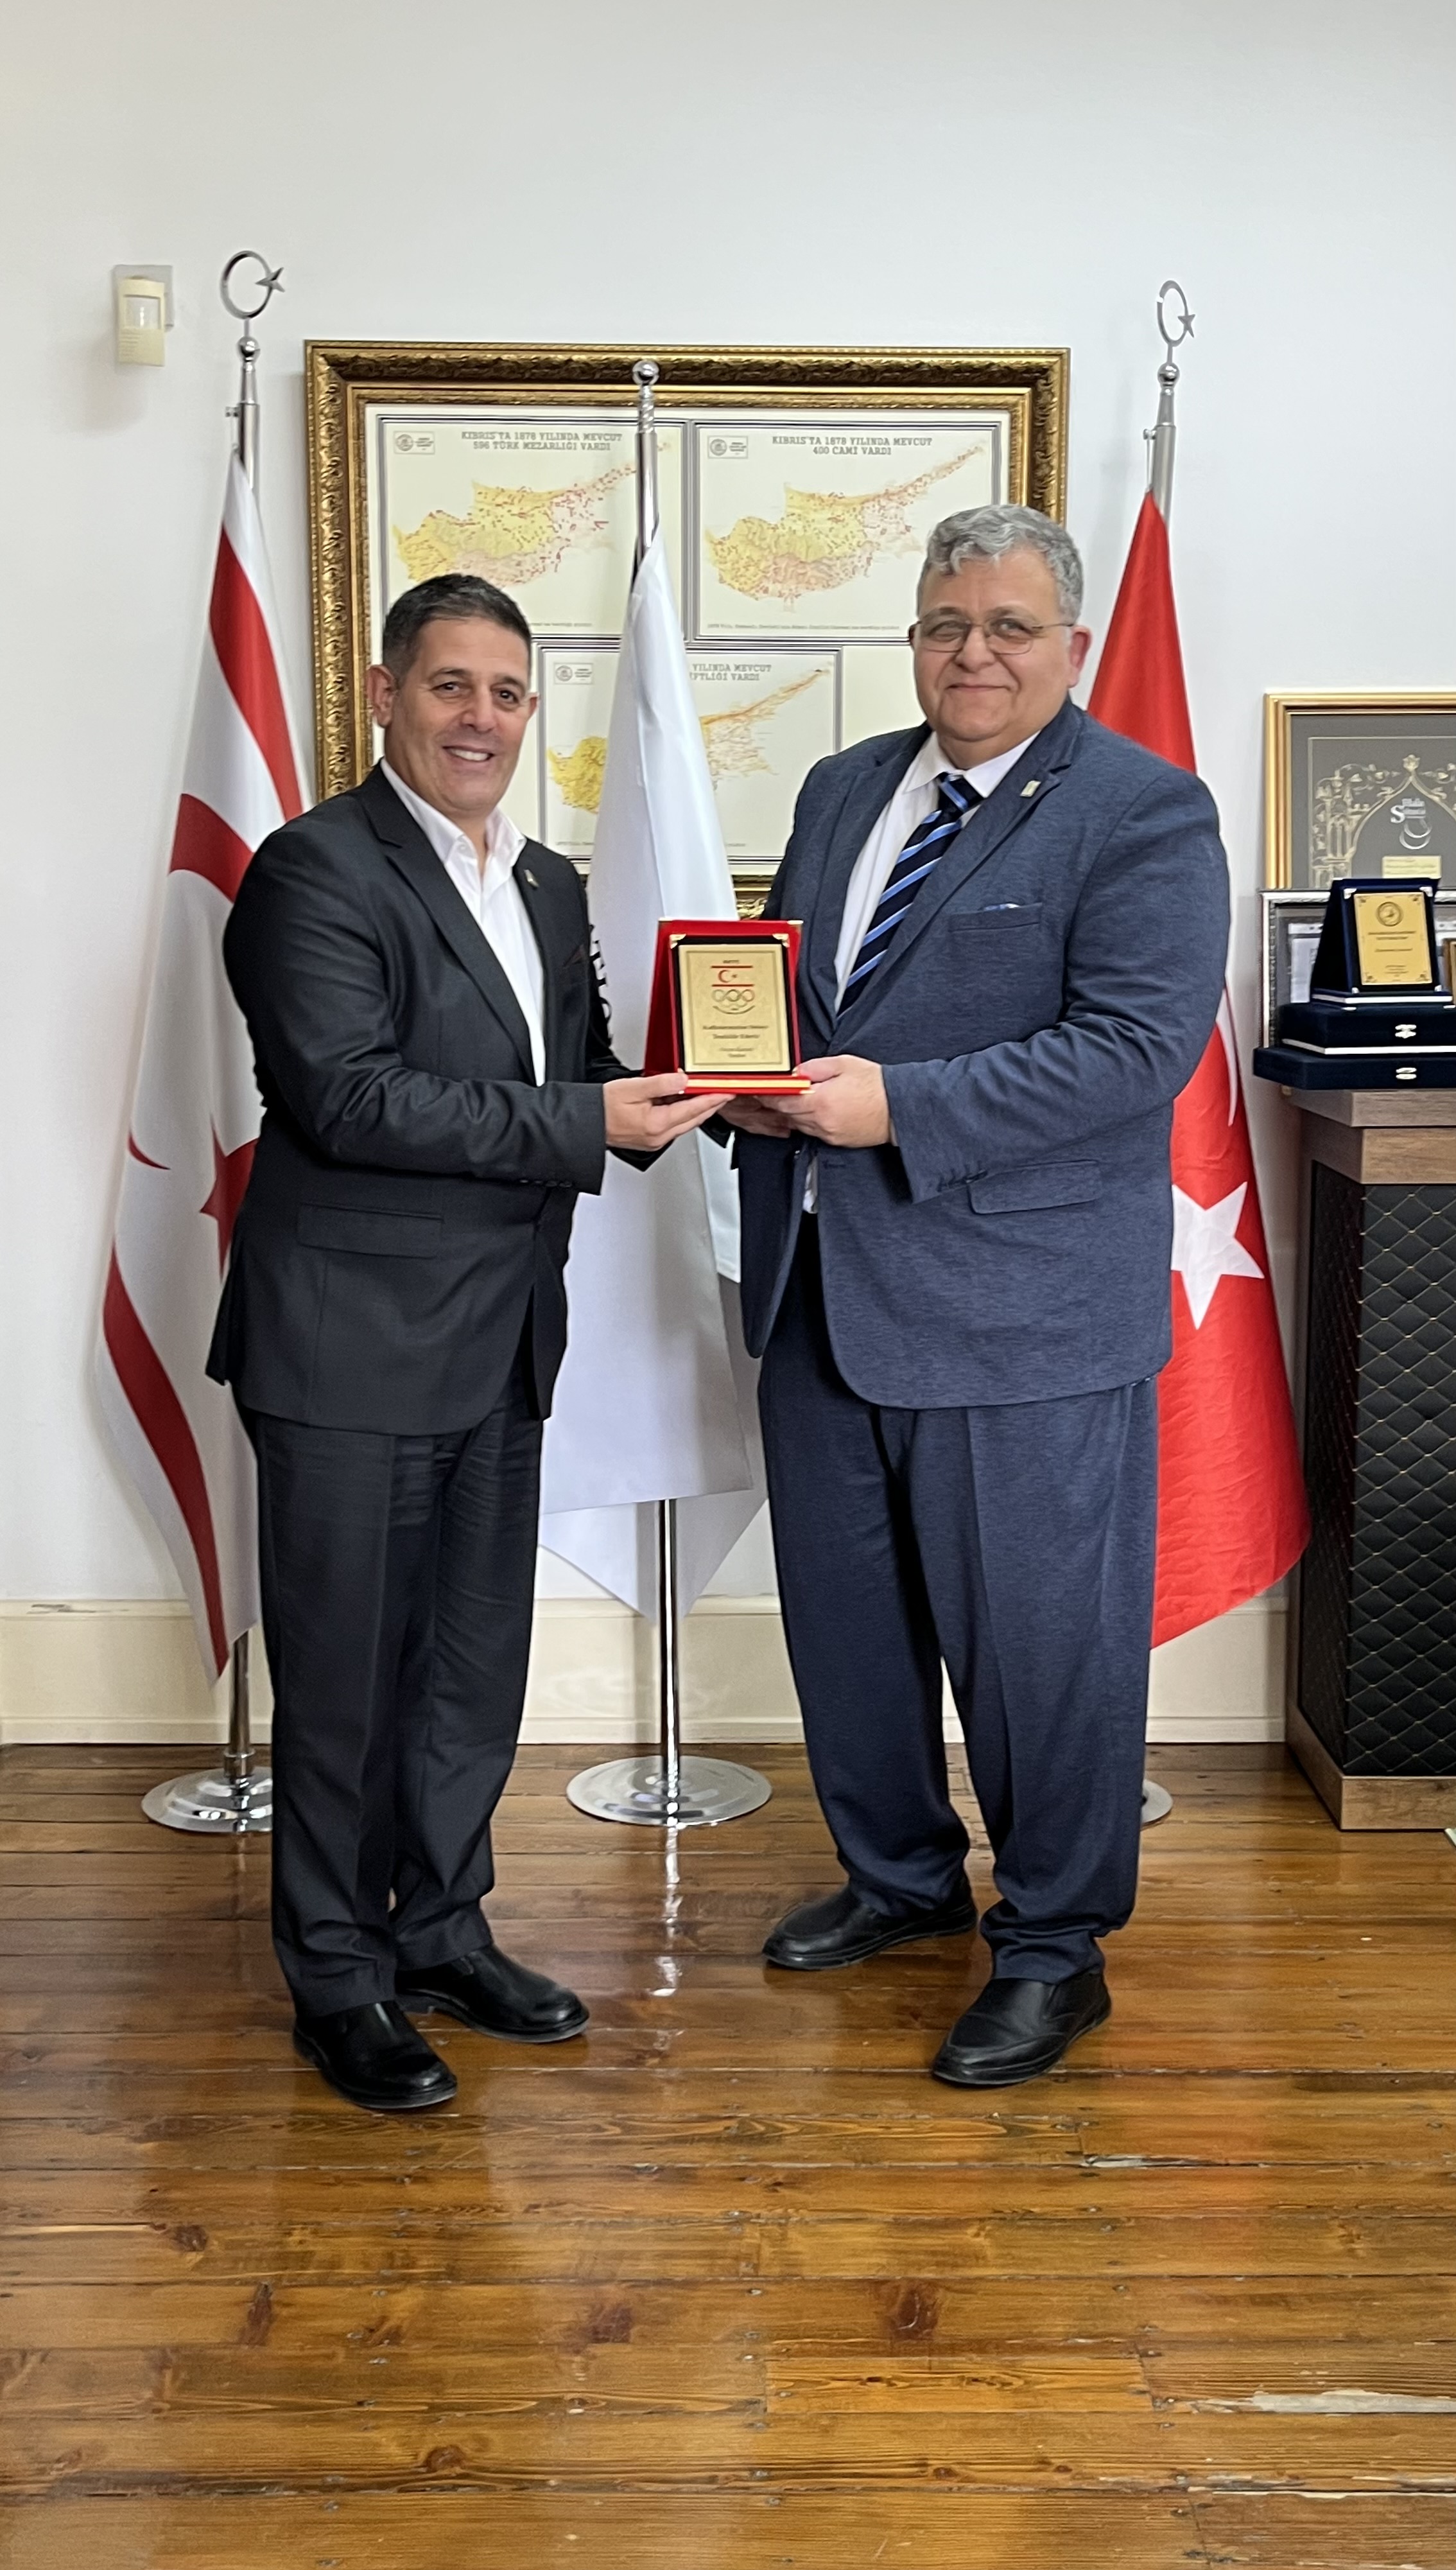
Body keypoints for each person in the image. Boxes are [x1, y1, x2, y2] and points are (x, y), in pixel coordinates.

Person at [209, 573, 725, 2113]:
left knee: (468, 1671)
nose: (480, 718)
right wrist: (590, 1117)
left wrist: (724, 1088)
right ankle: (337, 1977)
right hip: (348, 1348)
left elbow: (582, 1069)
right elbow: (348, 1096)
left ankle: (439, 1933)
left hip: (503, 1340)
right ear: (386, 696)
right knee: (347, 1686)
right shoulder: (313, 870)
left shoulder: (549, 882)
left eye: (506, 693)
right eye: (450, 685)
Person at [727, 504, 1229, 2087]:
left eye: (1010, 627)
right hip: (818, 1284)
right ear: (915, 636)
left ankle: (1056, 1947)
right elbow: (795, 991)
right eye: (948, 624)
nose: (976, 654)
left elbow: (1134, 1051)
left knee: (1040, 1651)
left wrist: (900, 1108)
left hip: (1023, 1317)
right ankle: (900, 1882)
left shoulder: (1144, 811)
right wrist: (740, 1082)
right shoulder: (843, 786)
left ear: (1070, 645)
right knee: (848, 1631)